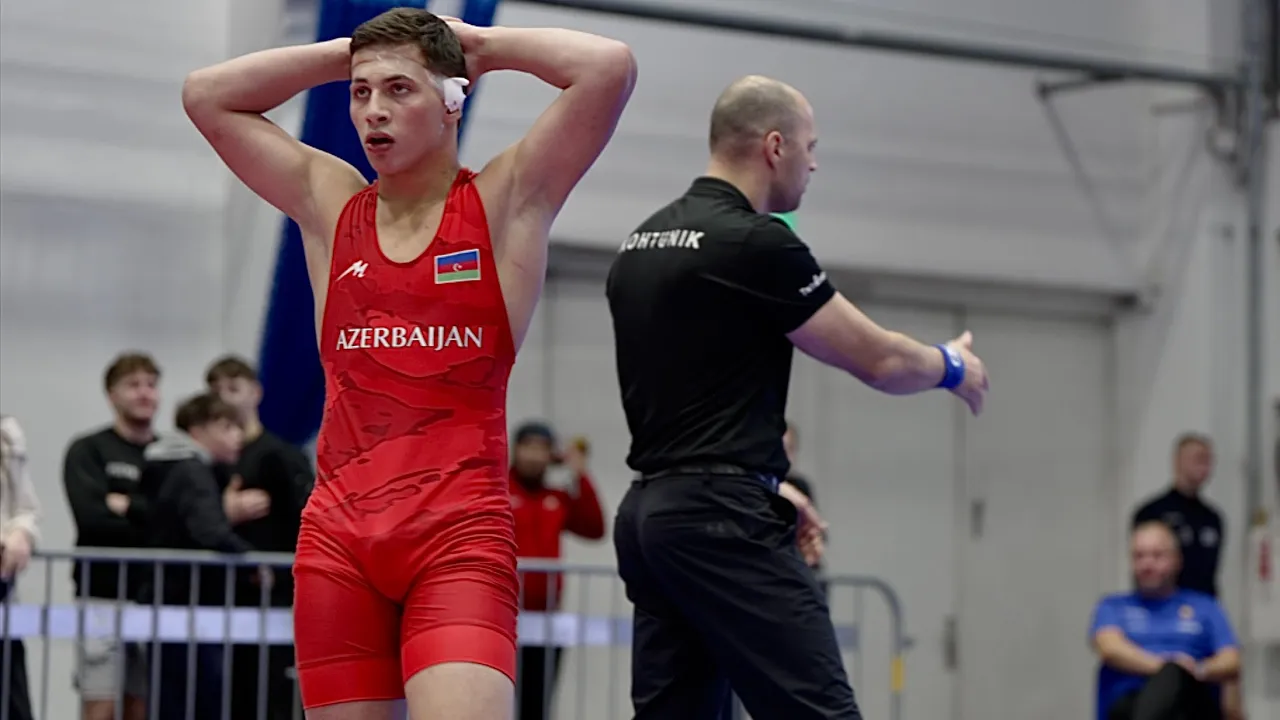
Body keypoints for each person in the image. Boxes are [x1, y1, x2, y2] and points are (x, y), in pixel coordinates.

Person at [182, 8, 636, 719]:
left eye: (399, 90)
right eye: (361, 93)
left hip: (456, 538)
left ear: (453, 100)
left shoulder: (503, 202)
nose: (372, 111)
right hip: (339, 543)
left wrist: (479, 47)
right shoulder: (331, 205)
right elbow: (206, 95)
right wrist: (350, 54)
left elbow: (608, 67)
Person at [606, 75, 989, 719]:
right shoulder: (756, 241)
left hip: (651, 516)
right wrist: (953, 366)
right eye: (811, 146)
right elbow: (880, 358)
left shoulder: (639, 243)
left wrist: (771, 486)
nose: (815, 163)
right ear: (775, 146)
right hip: (720, 521)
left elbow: (690, 403)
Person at [205, 355, 312, 719]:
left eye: (233, 389)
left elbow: (306, 516)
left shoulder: (281, 456)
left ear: (256, 393)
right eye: (216, 390)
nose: (225, 398)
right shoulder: (211, 461)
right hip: (224, 598)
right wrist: (223, 509)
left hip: (275, 595)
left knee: (272, 697)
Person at [136, 393, 255, 720]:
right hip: (187, 601)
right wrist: (251, 561)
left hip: (170, 599)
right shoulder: (191, 471)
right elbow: (209, 530)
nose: (237, 436)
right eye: (226, 426)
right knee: (197, 695)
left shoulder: (163, 465)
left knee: (174, 694)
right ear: (197, 430)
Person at [62, 352, 161, 720]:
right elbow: (92, 518)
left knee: (143, 706)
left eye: (151, 384)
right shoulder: (88, 450)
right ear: (111, 395)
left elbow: (178, 524)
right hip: (101, 596)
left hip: (156, 597)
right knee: (101, 706)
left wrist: (127, 505)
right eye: (133, 385)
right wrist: (152, 514)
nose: (144, 393)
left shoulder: (170, 455)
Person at [1090, 521, 1240, 720]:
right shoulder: (1112, 606)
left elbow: (1231, 660)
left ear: (1178, 560)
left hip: (1191, 703)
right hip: (1126, 703)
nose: (1147, 564)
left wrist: (1197, 669)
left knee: (1174, 682)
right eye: (1139, 556)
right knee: (1150, 691)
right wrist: (1166, 665)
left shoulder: (1205, 606)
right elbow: (1109, 648)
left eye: (1157, 555)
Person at [507, 421, 606, 720]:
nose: (534, 456)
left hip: (547, 621)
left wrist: (579, 472)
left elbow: (595, 528)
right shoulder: (497, 491)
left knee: (536, 707)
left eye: (542, 449)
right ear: (515, 449)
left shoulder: (558, 498)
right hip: (503, 619)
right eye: (529, 447)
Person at [1132, 433, 1223, 596]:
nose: (1204, 467)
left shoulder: (1212, 518)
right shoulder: (1153, 513)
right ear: (1178, 461)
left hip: (1202, 606)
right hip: (1163, 608)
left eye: (1208, 461)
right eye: (1198, 459)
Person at [1, 415, 40, 720]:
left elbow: (25, 507)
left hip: (3, 600)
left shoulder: (7, 433)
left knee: (13, 707)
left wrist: (22, 532)